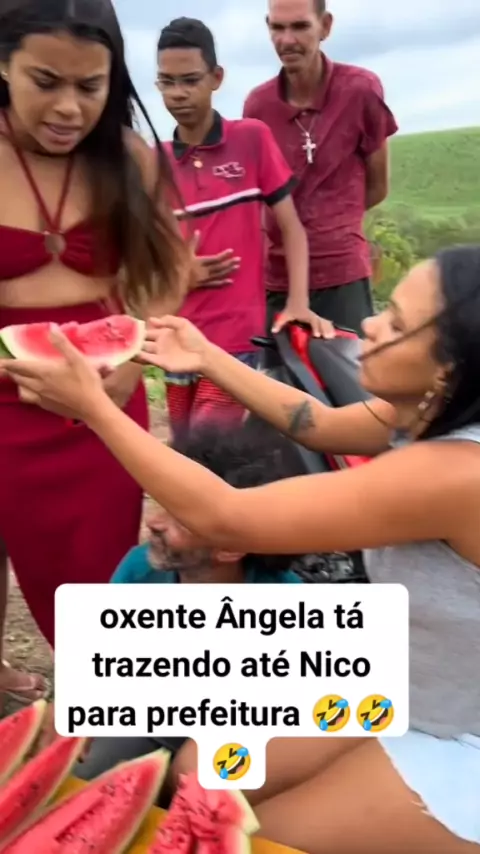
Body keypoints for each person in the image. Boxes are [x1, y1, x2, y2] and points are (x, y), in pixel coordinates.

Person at [4, 243, 480, 853]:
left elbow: (226, 521)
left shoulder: (458, 474)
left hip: (458, 731)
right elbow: (318, 423)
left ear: (447, 370)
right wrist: (206, 356)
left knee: (250, 839)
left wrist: (94, 407)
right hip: (402, 680)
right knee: (196, 777)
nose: (367, 323)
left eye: (395, 323)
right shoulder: (423, 416)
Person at [0, 0, 189, 682]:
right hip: (6, 400)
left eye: (90, 86)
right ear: (4, 65)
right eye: (45, 81)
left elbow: (169, 271)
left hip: (104, 404)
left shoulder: (129, 158)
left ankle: (111, 706)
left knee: (99, 577)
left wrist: (134, 362)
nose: (69, 108)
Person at [73, 420, 304, 789]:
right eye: (160, 505)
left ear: (230, 548)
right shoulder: (139, 569)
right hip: (151, 716)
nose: (153, 523)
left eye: (180, 520)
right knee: (86, 780)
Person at [155, 17, 333, 438]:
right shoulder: (153, 161)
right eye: (166, 82)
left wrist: (298, 301)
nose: (178, 93)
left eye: (190, 80)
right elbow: (146, 254)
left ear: (216, 78)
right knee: (186, 449)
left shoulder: (251, 139)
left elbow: (291, 228)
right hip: (176, 335)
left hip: (235, 338)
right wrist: (181, 275)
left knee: (212, 450)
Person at [243, 0, 399, 336]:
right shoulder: (258, 106)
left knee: (349, 370)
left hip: (342, 275)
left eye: (300, 26)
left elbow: (377, 186)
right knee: (278, 371)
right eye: (277, 27)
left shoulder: (359, 90)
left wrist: (332, 226)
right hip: (278, 279)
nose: (287, 40)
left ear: (325, 26)